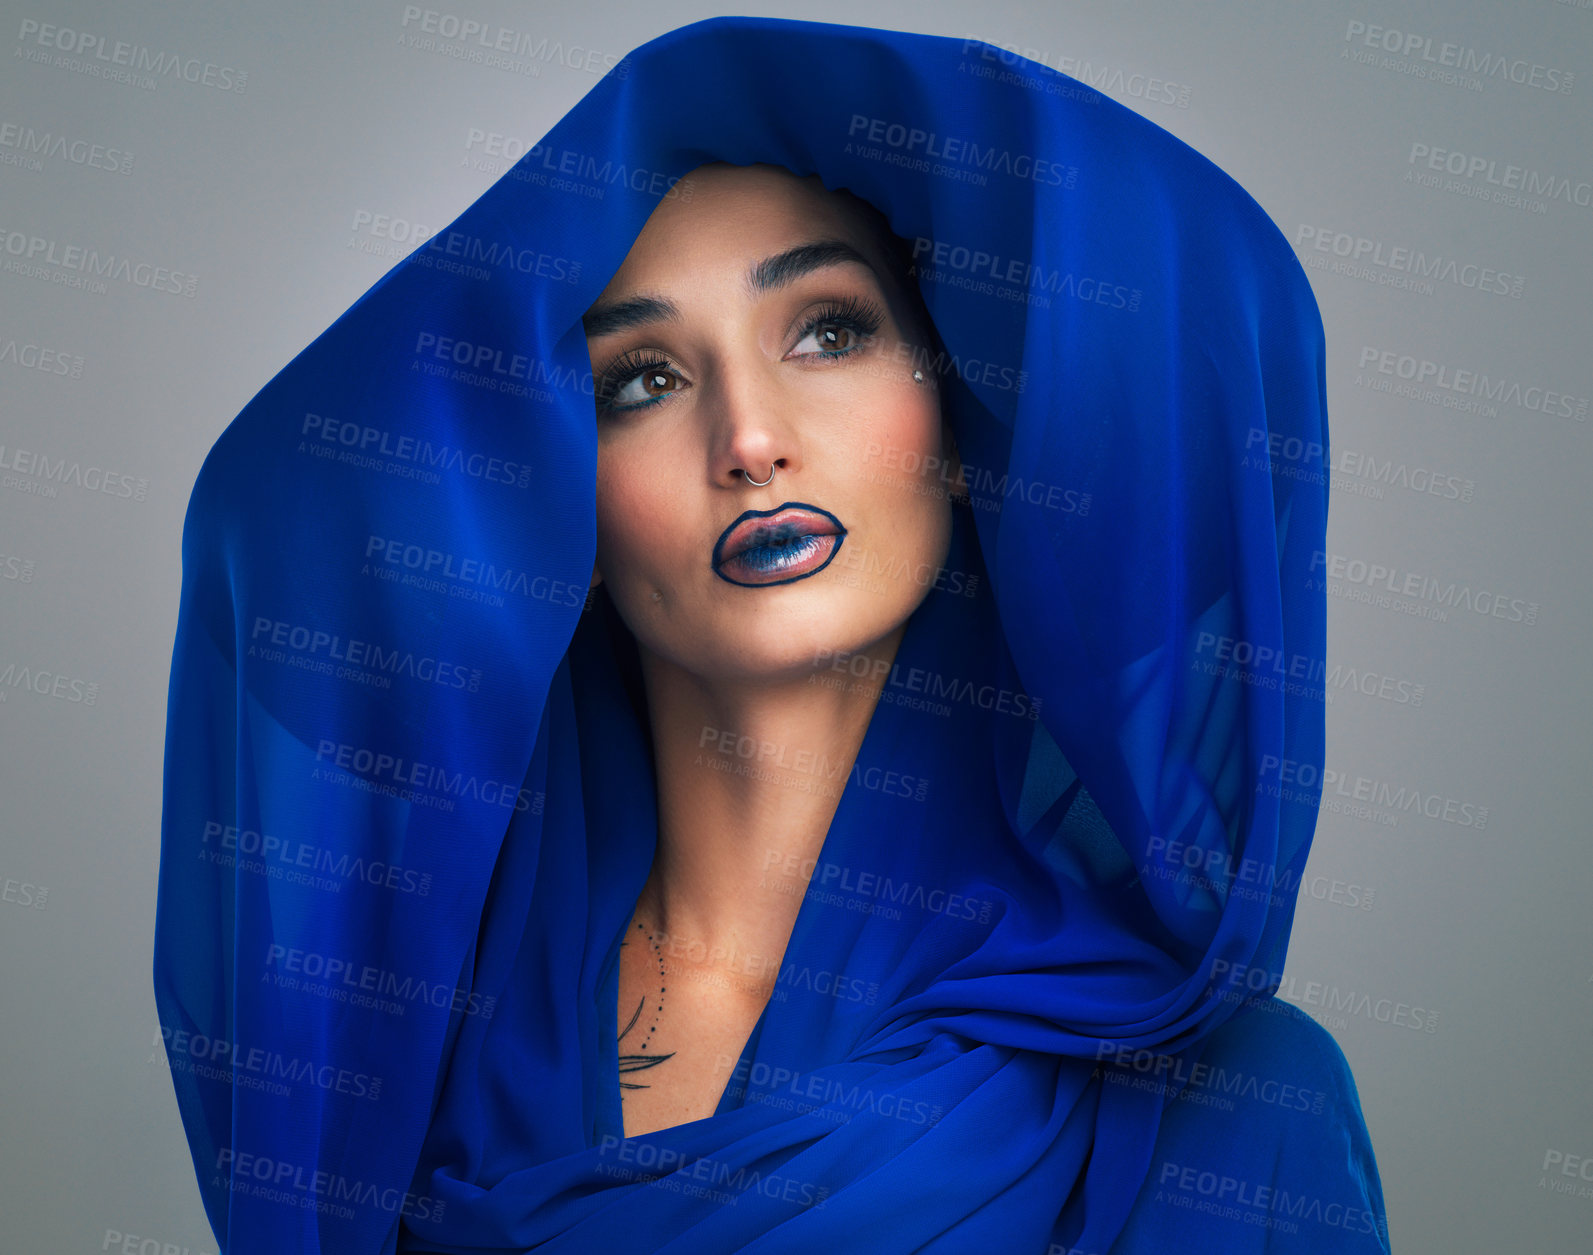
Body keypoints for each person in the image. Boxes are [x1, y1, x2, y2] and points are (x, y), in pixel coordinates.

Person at [154, 16, 1389, 1254]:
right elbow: (288, 494)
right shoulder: (396, 1053)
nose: (748, 437)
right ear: (558, 508)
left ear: (955, 428)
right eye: (641, 379)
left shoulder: (1230, 1114)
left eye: (829, 331)